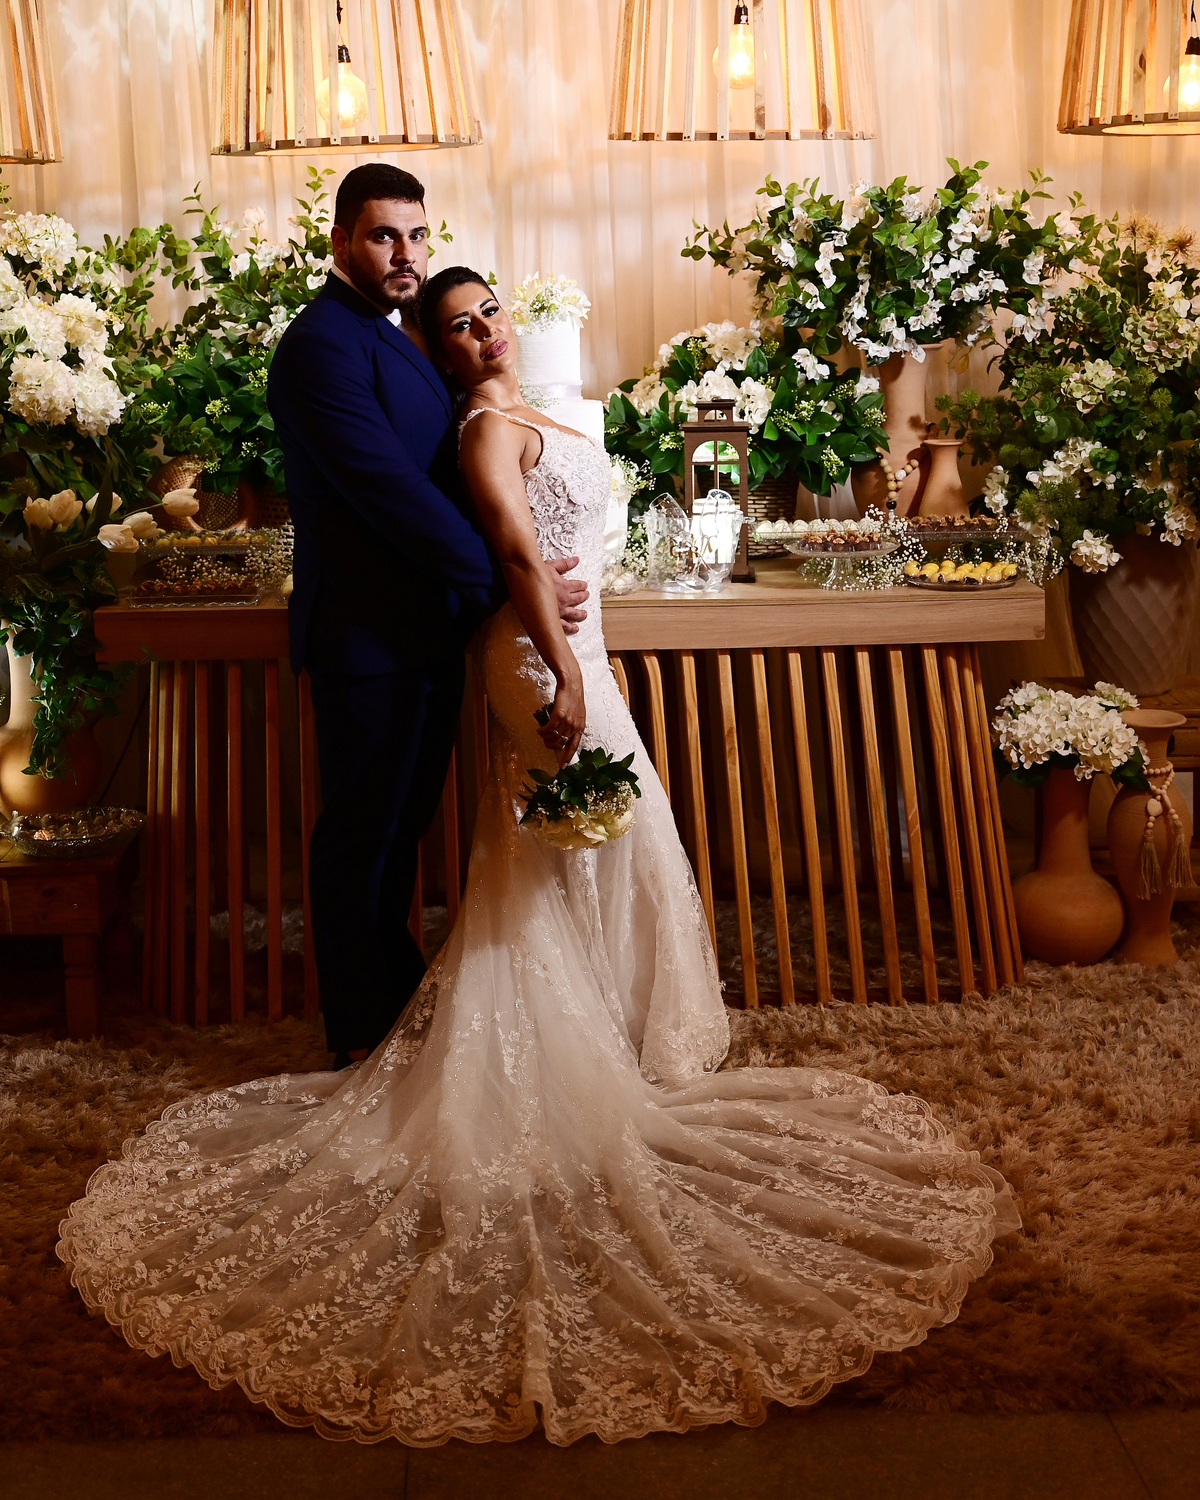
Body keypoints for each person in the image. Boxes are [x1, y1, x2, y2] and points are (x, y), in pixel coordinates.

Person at [59, 268, 1018, 1448]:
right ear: (436, 350)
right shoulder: (479, 430)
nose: (483, 334)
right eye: (457, 327)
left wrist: (583, 643)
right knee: (568, 834)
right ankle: (556, 1041)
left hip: (582, 641)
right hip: (538, 654)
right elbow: (514, 553)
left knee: (617, 834)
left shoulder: (536, 408)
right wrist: (561, 670)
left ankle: (618, 1016)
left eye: (490, 313)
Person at [267, 164, 588, 1066]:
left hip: (423, 631)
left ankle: (392, 1016)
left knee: (398, 834)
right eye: (383, 236)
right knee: (361, 838)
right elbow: (391, 495)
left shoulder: (394, 332)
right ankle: (360, 1041)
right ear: (340, 240)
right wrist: (515, 585)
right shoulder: (321, 344)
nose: (405, 253)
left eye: (415, 234)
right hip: (364, 637)